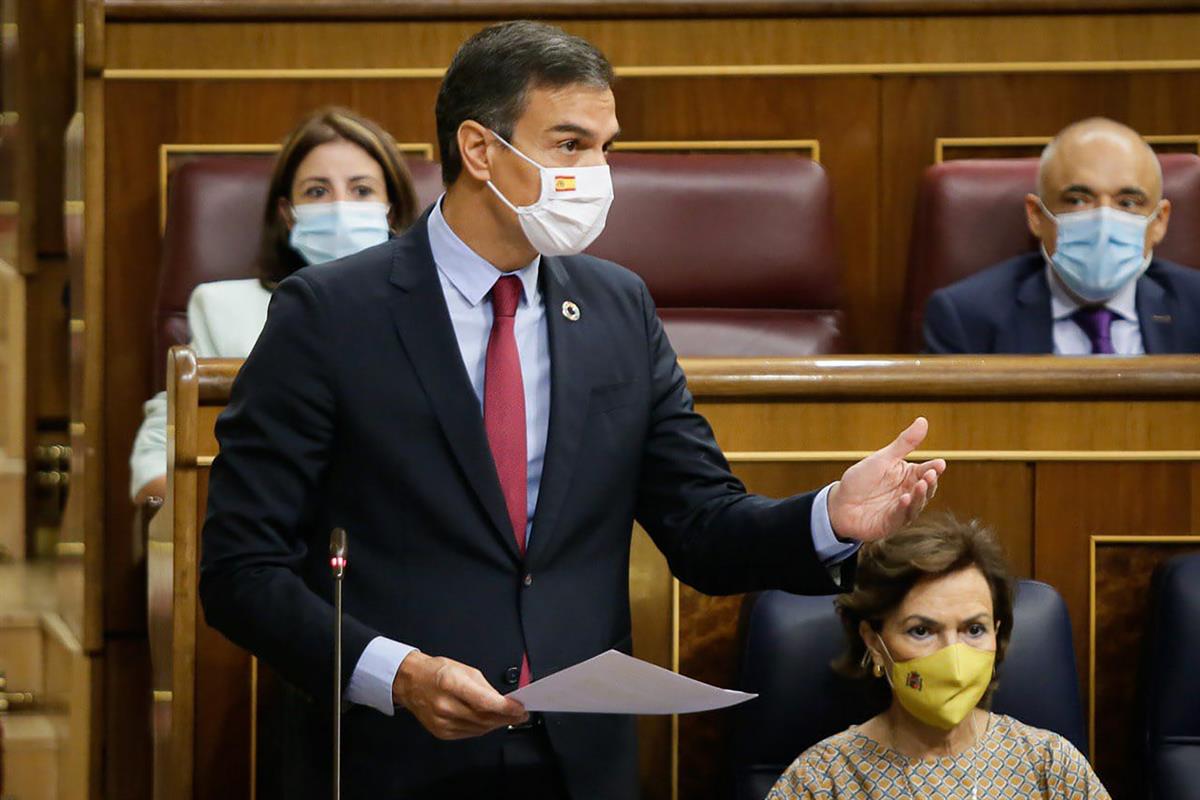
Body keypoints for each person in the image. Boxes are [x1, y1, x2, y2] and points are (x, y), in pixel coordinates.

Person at [198, 21, 946, 800]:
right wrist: (398, 674)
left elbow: (702, 527)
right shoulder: (328, 314)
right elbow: (241, 569)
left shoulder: (619, 308)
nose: (596, 173)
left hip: (576, 761)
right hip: (391, 752)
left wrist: (829, 516)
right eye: (568, 144)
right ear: (481, 151)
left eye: (604, 147)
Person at [128, 107, 420, 503]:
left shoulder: (439, 309)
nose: (339, 206)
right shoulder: (222, 309)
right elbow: (161, 450)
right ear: (287, 214)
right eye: (317, 191)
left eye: (362, 190)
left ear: (393, 209)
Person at [768, 515, 1110, 800]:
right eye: (922, 631)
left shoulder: (1050, 766)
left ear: (998, 631)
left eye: (974, 629)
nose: (953, 658)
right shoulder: (821, 780)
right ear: (874, 642)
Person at [923, 117, 1200, 354]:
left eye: (1127, 203)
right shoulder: (966, 318)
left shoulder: (1194, 307)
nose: (1103, 219)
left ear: (1159, 221)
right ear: (1037, 215)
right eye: (1078, 200)